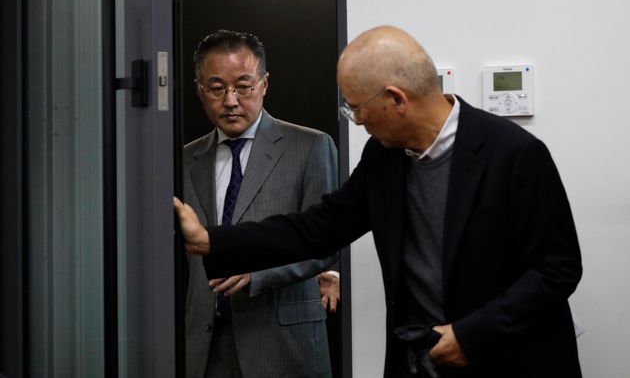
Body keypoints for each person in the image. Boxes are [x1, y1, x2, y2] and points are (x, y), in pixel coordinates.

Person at [175, 26, 583, 378]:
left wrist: (471, 334)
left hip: (508, 359)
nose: (357, 120)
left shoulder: (513, 154)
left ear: (396, 99)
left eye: (356, 107)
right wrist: (213, 241)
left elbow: (558, 270)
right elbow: (316, 228)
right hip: (419, 360)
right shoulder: (385, 157)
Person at [183, 29, 340, 378]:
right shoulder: (185, 160)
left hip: (282, 343)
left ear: (264, 84)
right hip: (206, 347)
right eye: (217, 88)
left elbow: (326, 245)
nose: (231, 100)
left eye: (244, 86)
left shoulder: (310, 148)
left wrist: (257, 273)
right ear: (200, 90)